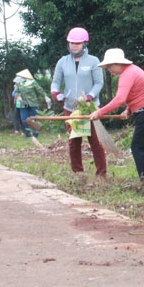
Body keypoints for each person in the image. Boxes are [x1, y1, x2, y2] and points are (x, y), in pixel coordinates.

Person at [91, 48, 144, 180]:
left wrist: (100, 112)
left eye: (110, 66)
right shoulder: (132, 70)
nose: (109, 69)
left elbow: (119, 99)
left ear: (118, 63)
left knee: (137, 147)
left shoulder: (127, 74)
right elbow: (135, 93)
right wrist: (129, 109)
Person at [51, 27, 107, 177]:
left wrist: (90, 96)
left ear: (84, 43)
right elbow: (56, 82)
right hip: (71, 107)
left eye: (78, 43)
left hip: (90, 107)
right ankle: (78, 172)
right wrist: (56, 93)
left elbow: (98, 83)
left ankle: (101, 173)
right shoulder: (63, 62)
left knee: (95, 141)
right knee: (73, 141)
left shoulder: (94, 61)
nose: (74, 45)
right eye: (71, 43)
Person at [15, 69, 50, 143]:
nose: (21, 77)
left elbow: (40, 90)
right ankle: (27, 134)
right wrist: (18, 96)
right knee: (24, 119)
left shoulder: (33, 82)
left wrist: (45, 96)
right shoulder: (20, 83)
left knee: (34, 119)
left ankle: (35, 134)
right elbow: (16, 92)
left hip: (33, 104)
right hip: (23, 104)